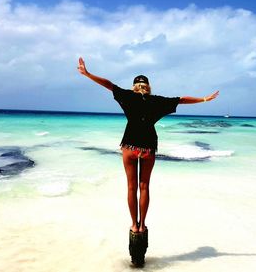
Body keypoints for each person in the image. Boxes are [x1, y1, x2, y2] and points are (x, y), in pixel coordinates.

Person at [77, 57, 219, 233]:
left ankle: (134, 225)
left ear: (134, 86)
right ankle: (142, 224)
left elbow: (109, 85)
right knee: (144, 186)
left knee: (131, 187)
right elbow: (182, 99)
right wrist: (204, 99)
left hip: (129, 146)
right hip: (148, 147)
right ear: (148, 87)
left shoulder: (127, 96)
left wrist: (88, 74)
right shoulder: (158, 101)